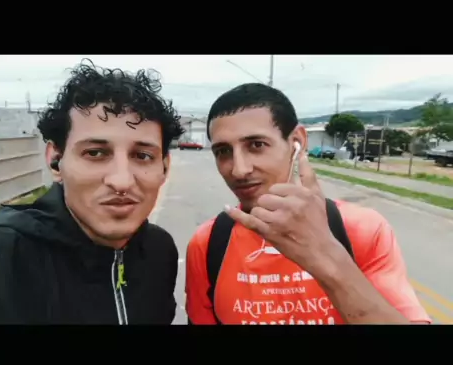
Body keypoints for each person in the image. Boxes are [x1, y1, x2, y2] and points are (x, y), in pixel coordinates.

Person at [185, 83, 431, 325]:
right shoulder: (208, 243)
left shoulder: (363, 230)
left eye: (256, 145)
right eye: (223, 152)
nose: (239, 170)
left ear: (297, 141)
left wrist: (326, 258)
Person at [0, 61, 184, 324]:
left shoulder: (159, 251)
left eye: (142, 156)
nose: (121, 181)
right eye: (95, 153)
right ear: (55, 161)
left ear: (164, 167)